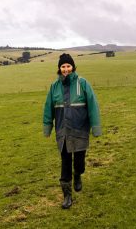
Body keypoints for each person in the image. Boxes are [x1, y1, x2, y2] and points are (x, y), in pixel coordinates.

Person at [43, 53, 102, 209]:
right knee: (65, 162)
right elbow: (48, 108)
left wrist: (95, 127)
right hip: (62, 132)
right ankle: (67, 196)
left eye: (68, 66)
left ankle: (78, 175)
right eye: (63, 66)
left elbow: (93, 105)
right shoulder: (54, 87)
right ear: (59, 68)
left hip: (80, 130)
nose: (66, 69)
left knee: (79, 162)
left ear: (73, 67)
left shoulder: (83, 84)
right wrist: (47, 127)